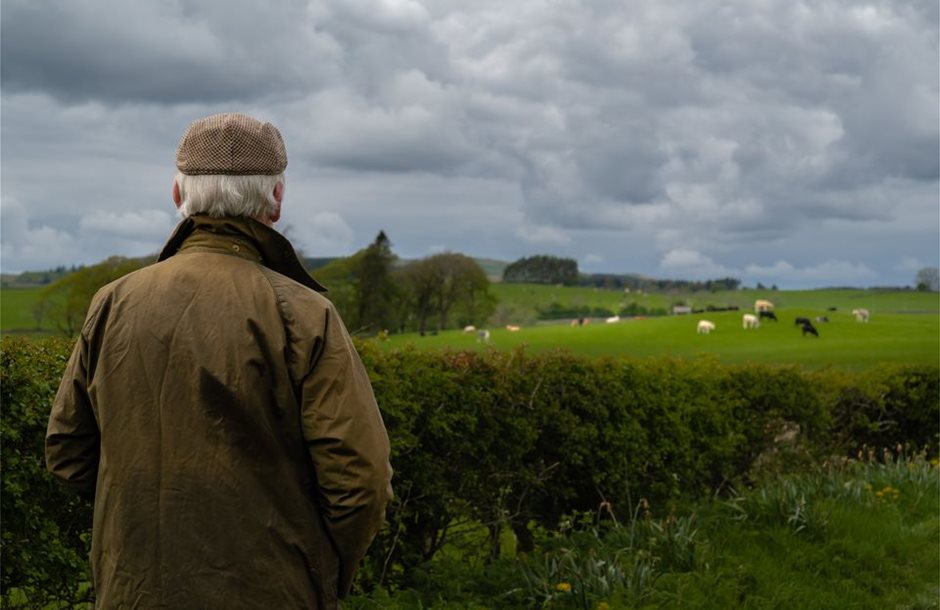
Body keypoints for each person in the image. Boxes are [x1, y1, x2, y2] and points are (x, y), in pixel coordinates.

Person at [45, 112, 393, 609]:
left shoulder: (113, 302)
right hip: (273, 592)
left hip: (132, 591)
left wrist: (136, 529)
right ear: (276, 200)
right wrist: (319, 573)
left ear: (177, 195)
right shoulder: (305, 314)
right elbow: (361, 480)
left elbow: (67, 452)